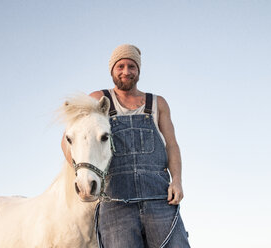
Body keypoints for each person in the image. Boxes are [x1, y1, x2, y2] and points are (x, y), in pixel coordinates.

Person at [62, 44, 190, 247]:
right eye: (120, 66)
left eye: (131, 66)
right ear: (112, 70)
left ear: (138, 70)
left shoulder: (158, 103)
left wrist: (177, 181)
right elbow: (69, 140)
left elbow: (172, 145)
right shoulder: (97, 99)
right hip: (116, 203)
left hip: (159, 199)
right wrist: (85, 175)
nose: (126, 71)